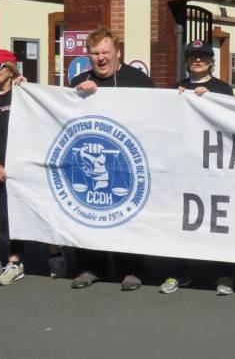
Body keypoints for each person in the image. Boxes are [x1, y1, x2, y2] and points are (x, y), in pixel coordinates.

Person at [68, 27, 155, 292]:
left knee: (127, 217)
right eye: (94, 53)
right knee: (90, 213)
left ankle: (131, 268)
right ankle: (92, 267)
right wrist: (76, 94)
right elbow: (63, 115)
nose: (100, 58)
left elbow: (158, 114)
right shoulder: (81, 81)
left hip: (128, 161)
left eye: (105, 52)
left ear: (118, 52)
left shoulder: (138, 80)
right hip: (90, 159)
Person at [0, 49, 62, 284]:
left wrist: (27, 87)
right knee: (6, 216)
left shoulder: (23, 94)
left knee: (40, 210)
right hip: (1, 170)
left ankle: (56, 256)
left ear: (11, 70)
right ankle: (13, 262)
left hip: (28, 167)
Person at [159, 39, 235, 295]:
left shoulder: (222, 89)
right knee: (178, 220)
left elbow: (232, 123)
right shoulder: (176, 89)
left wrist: (213, 101)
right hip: (183, 166)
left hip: (214, 167)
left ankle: (223, 275)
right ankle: (177, 273)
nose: (198, 60)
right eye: (193, 56)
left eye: (203, 56)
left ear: (211, 60)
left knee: (217, 221)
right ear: (187, 61)